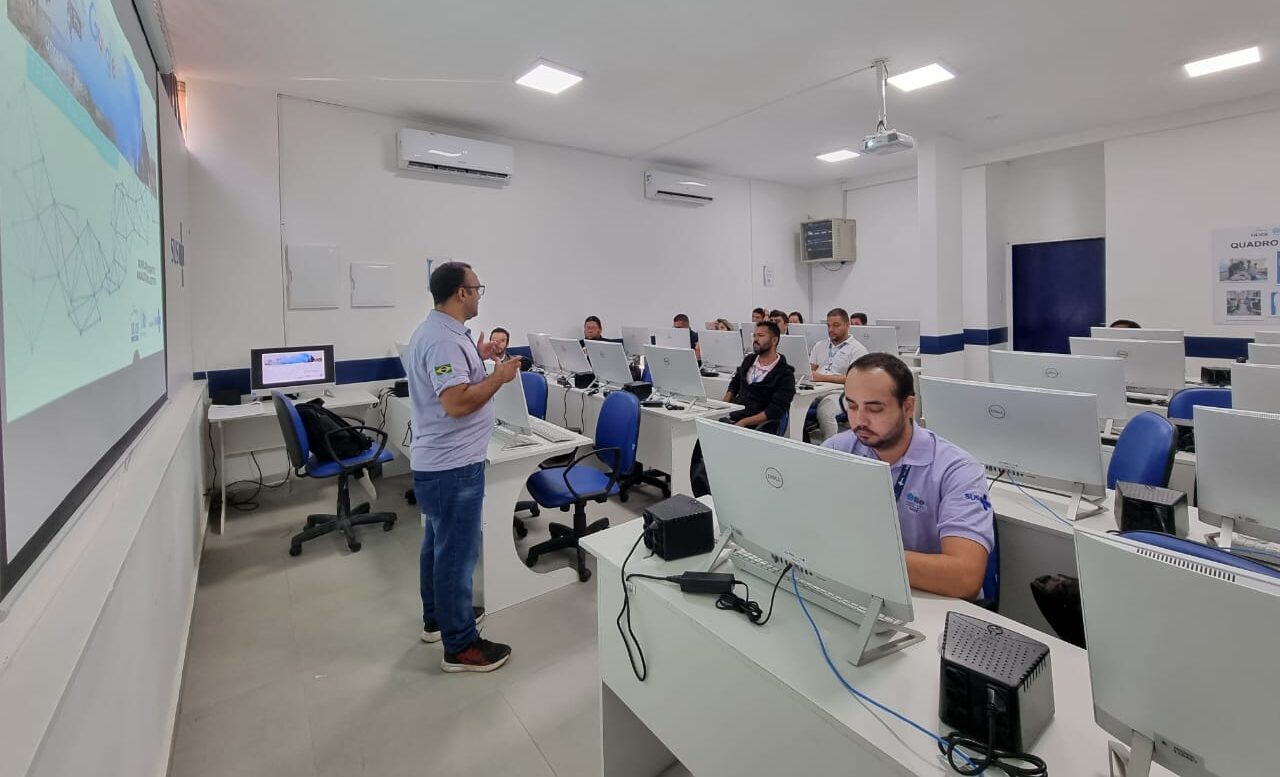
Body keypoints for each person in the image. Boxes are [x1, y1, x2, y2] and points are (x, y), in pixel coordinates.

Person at [405, 261, 522, 672]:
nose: (478, 294)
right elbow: (456, 403)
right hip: (453, 466)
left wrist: (481, 355)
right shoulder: (442, 340)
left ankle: (437, 619)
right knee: (457, 554)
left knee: (438, 546)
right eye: (477, 288)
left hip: (442, 463)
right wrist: (501, 376)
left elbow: (456, 380)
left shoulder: (443, 333)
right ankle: (461, 647)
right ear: (460, 293)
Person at [823, 353, 993, 599]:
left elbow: (965, 577)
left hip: (933, 600)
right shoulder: (838, 450)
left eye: (874, 408)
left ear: (908, 407)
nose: (859, 420)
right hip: (861, 589)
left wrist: (861, 556)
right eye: (851, 406)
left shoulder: (957, 470)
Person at [723, 321, 796, 431]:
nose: (756, 340)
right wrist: (722, 407)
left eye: (761, 336)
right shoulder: (749, 360)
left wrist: (744, 422)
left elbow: (775, 410)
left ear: (774, 340)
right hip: (734, 418)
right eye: (755, 335)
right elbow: (735, 384)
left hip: (758, 426)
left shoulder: (785, 374)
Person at [809, 308, 868, 441]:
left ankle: (831, 449)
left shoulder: (857, 349)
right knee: (789, 402)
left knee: (825, 411)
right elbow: (809, 370)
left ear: (847, 325)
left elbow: (855, 380)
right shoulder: (820, 345)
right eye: (829, 326)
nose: (831, 329)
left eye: (836, 325)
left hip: (842, 392)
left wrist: (822, 378)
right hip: (816, 388)